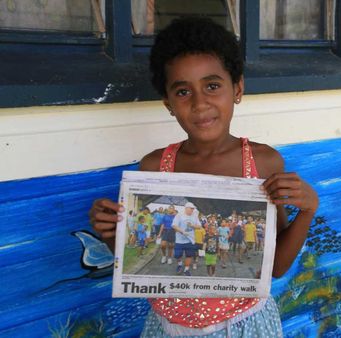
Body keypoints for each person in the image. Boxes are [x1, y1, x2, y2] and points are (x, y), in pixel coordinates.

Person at [89, 17, 318, 337]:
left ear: (237, 88)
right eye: (183, 91)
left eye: (212, 86)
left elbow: (275, 267)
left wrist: (308, 210)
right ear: (169, 104)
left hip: (245, 327)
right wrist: (112, 234)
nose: (200, 104)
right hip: (168, 329)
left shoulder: (262, 163)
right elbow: (146, 263)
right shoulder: (156, 168)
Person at [172, 202, 200, 276]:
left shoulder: (195, 216)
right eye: (191, 208)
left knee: (189, 255)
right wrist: (182, 231)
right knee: (177, 255)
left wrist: (192, 225)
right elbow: (174, 225)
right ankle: (180, 264)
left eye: (193, 209)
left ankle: (186, 269)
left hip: (190, 240)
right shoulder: (179, 215)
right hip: (179, 240)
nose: (192, 210)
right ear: (186, 208)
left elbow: (199, 226)